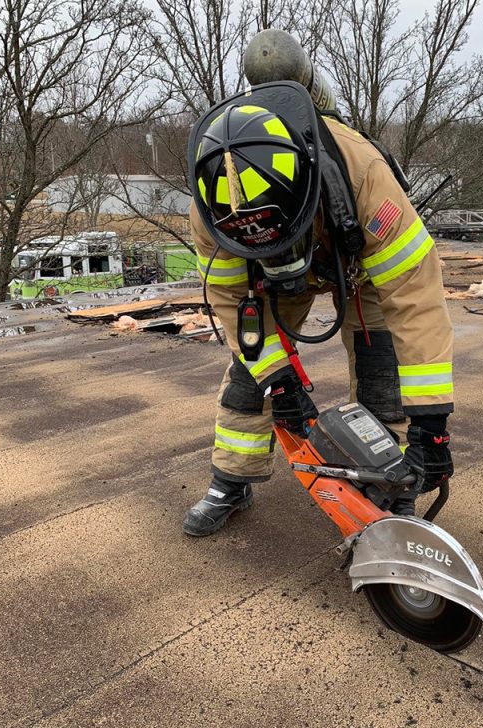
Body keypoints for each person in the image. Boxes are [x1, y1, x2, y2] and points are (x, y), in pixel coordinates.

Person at [183, 84, 454, 536]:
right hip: (267, 279)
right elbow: (231, 302)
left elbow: (417, 302)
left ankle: (393, 486)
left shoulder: (365, 177)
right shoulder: (210, 209)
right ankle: (232, 479)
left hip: (356, 266)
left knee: (381, 369)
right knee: (250, 373)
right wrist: (278, 380)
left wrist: (432, 422)